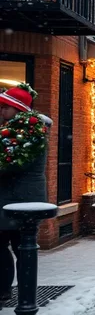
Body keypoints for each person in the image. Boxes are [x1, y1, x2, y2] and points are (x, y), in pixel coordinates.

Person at [0, 85, 50, 302]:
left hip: (20, 201)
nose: (1, 111)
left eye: (5, 108)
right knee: (18, 248)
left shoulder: (28, 132)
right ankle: (17, 292)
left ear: (18, 110)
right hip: (15, 199)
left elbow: (10, 164)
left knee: (20, 247)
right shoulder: (15, 130)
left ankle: (19, 295)